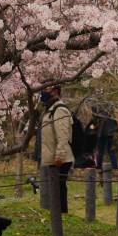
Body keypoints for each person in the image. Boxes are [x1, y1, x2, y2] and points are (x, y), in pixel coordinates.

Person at [40, 86, 74, 214]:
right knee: (55, 188)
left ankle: (61, 215)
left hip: (60, 158)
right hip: (52, 157)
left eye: (47, 89)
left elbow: (63, 135)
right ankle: (57, 215)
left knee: (59, 188)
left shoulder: (59, 110)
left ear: (55, 91)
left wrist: (59, 155)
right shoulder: (49, 109)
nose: (43, 92)